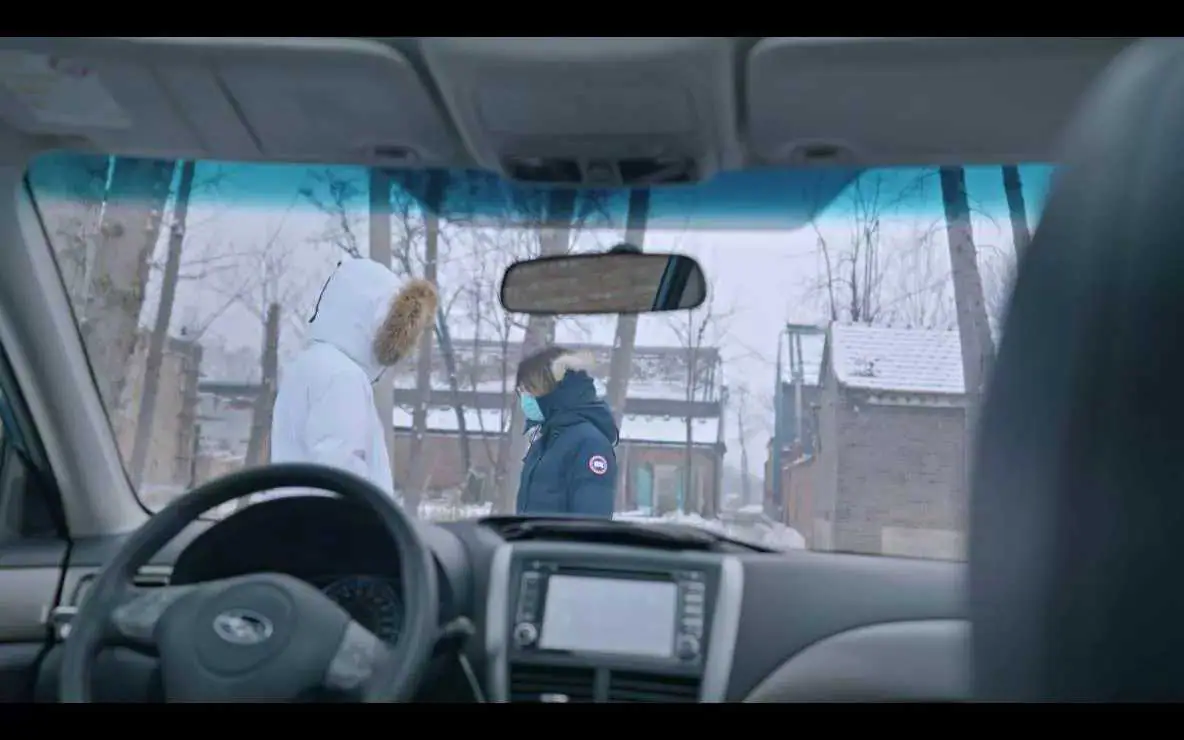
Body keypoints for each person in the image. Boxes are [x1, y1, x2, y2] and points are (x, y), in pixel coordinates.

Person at [269, 258, 437, 497]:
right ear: (368, 318)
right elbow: (341, 477)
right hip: (329, 519)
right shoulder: (343, 377)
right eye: (392, 325)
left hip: (296, 512)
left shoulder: (306, 365)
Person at [515, 346, 620, 517]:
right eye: (521, 391)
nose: (524, 398)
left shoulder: (589, 444)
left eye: (529, 389)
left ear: (553, 390)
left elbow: (591, 520)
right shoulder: (545, 442)